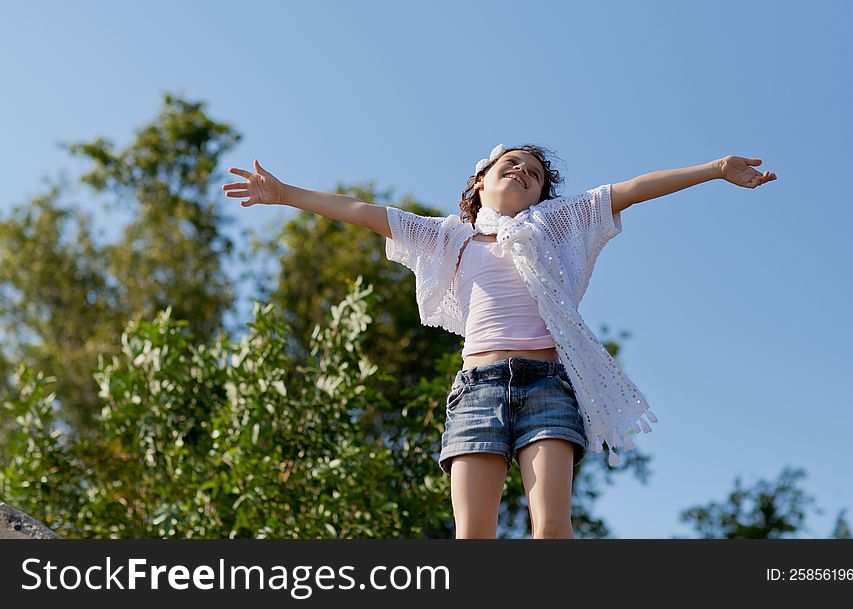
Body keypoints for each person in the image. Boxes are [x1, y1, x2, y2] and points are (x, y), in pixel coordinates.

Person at [222, 144, 777, 539]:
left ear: (541, 195)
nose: (523, 171)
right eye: (510, 163)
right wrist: (284, 193)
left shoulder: (558, 224)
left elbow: (630, 191)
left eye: (534, 172)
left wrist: (714, 169)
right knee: (474, 536)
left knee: (553, 528)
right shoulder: (445, 237)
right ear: (479, 183)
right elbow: (362, 213)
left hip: (548, 388)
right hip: (478, 392)